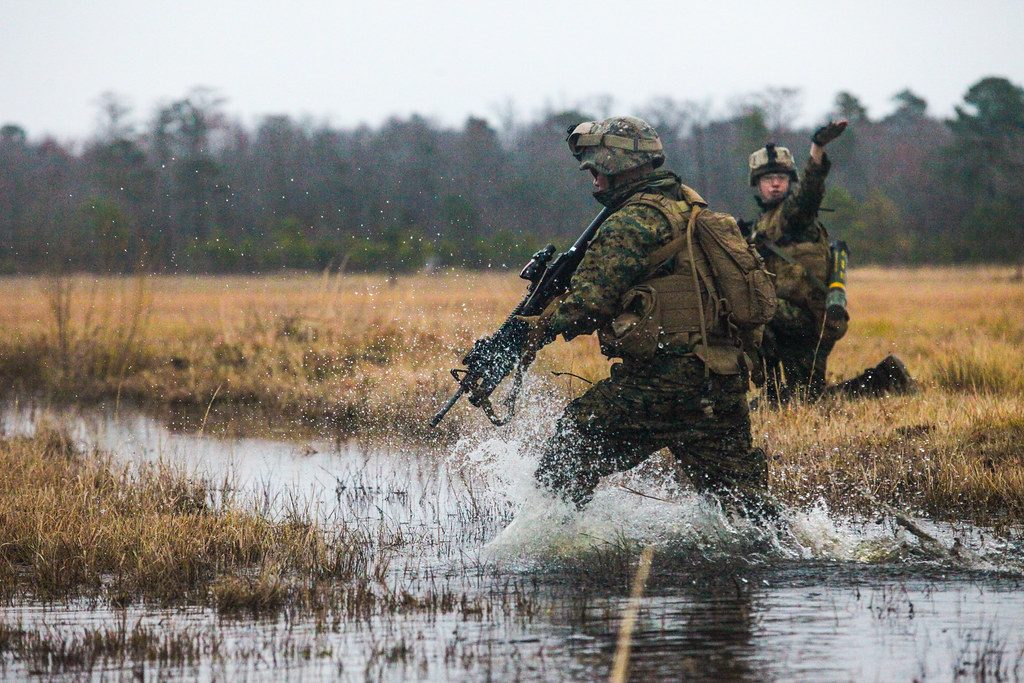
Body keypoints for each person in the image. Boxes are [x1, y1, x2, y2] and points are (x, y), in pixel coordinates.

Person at [518, 116, 774, 517]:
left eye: (597, 167)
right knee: (744, 505)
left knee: (576, 438)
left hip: (664, 381)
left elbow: (588, 305)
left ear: (621, 164)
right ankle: (789, 553)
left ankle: (546, 534)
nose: (593, 178)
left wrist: (529, 331)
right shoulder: (687, 207)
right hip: (720, 378)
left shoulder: (631, 222)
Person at [746, 123, 914, 405]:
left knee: (748, 312)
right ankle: (886, 377)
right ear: (757, 184)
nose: (775, 183)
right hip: (793, 320)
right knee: (808, 399)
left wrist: (817, 149)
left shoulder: (795, 215)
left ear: (790, 181)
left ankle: (774, 392)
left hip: (804, 319)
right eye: (767, 179)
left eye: (780, 177)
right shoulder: (762, 222)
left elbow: (809, 194)